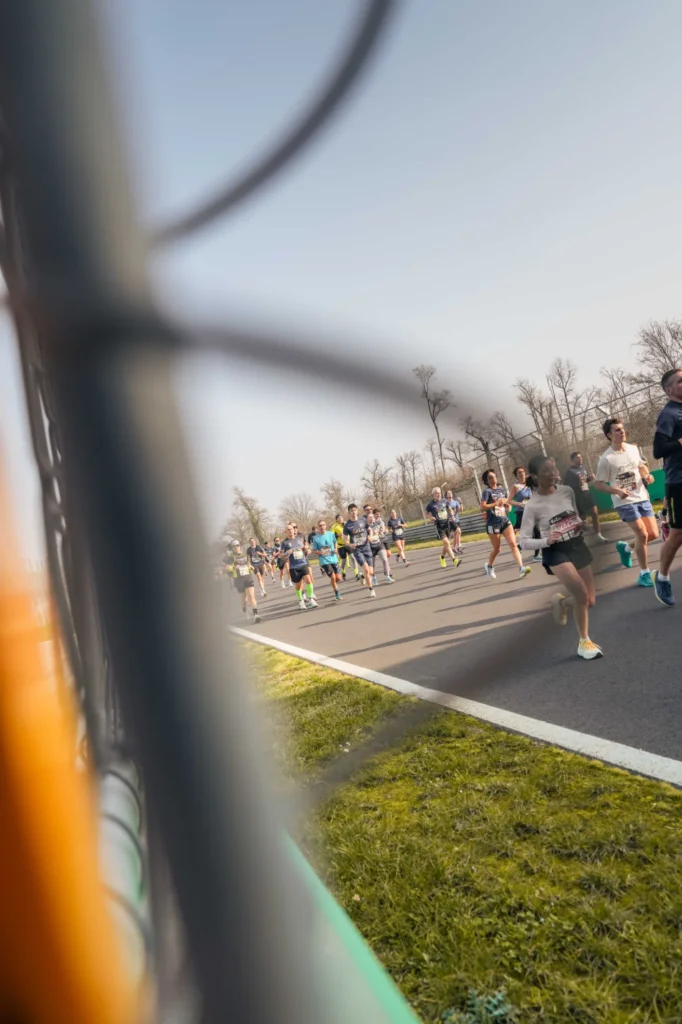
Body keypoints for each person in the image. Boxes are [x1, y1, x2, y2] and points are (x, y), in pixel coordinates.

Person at [518, 455, 602, 659]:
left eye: (554, 468)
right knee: (581, 594)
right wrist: (547, 541)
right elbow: (524, 541)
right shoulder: (532, 505)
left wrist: (582, 524)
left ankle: (562, 604)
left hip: (576, 544)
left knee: (589, 601)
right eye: (547, 470)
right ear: (535, 476)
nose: (554, 473)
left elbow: (575, 516)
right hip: (555, 551)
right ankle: (584, 643)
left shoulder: (567, 491)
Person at [594, 418, 657, 587]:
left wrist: (647, 476)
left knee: (653, 534)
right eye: (617, 430)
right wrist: (617, 491)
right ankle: (644, 574)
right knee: (642, 534)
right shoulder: (606, 459)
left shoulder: (633, 449)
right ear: (609, 435)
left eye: (622, 429)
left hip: (641, 497)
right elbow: (598, 484)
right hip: (624, 502)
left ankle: (626, 548)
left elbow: (641, 466)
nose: (622, 432)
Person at [652, 368, 682, 606]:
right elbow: (658, 450)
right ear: (669, 390)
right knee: (677, 535)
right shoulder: (668, 414)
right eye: (680, 381)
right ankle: (661, 577)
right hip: (678, 481)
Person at [480, 469, 531, 580]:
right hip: (492, 523)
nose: (492, 478)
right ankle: (489, 566)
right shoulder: (487, 492)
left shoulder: (501, 489)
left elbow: (508, 503)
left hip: (504, 520)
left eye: (493, 476)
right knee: (497, 549)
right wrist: (496, 503)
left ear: (496, 477)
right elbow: (482, 507)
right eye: (489, 477)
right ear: (487, 480)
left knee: (513, 544)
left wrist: (508, 506)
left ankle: (521, 568)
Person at [563, 452, 608, 543]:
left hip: (587, 494)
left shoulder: (583, 468)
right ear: (572, 460)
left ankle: (598, 535)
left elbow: (584, 482)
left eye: (580, 457)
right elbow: (567, 486)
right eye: (577, 458)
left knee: (595, 513)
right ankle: (577, 538)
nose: (580, 459)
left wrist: (589, 479)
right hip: (578, 497)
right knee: (583, 520)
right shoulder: (570, 472)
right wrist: (577, 484)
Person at [280, 524, 318, 610]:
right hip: (294, 566)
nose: (290, 531)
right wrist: (288, 552)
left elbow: (304, 548)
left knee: (308, 580)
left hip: (303, 563)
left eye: (291, 529)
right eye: (288, 530)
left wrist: (306, 549)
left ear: (294, 530)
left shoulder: (299, 539)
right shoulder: (284, 543)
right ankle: (301, 601)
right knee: (298, 585)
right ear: (285, 532)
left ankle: (311, 599)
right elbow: (281, 555)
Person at [343, 503, 376, 596]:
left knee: (370, 572)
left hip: (367, 547)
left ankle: (362, 577)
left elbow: (370, 530)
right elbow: (344, 540)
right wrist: (350, 544)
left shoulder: (363, 520)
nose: (353, 512)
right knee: (365, 568)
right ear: (349, 512)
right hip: (357, 549)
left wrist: (370, 536)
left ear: (357, 511)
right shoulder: (347, 525)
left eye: (355, 510)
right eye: (351, 511)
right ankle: (371, 589)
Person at [425, 486, 462, 569]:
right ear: (433, 494)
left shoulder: (445, 501)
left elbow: (450, 509)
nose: (438, 494)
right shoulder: (430, 505)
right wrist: (431, 518)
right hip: (439, 526)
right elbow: (426, 514)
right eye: (437, 493)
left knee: (446, 544)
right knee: (447, 543)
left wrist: (452, 515)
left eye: (439, 493)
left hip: (447, 524)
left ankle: (442, 557)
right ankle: (454, 560)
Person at [228, 540, 261, 624]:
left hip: (247, 577)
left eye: (238, 545)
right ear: (232, 548)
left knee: (251, 596)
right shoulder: (231, 557)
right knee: (244, 599)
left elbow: (248, 564)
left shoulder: (245, 555)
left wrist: (252, 568)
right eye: (235, 546)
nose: (237, 547)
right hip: (239, 580)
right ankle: (244, 610)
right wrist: (234, 568)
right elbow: (227, 568)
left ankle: (256, 615)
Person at [310, 518, 343, 602]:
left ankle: (333, 583)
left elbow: (335, 542)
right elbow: (314, 550)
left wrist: (335, 548)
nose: (322, 527)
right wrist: (320, 552)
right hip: (324, 561)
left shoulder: (331, 534)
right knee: (332, 576)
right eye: (320, 526)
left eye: (323, 525)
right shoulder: (316, 538)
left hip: (333, 559)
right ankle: (337, 593)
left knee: (338, 578)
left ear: (326, 526)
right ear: (318, 527)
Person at [508, 467, 533, 554]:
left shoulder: (530, 484)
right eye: (519, 473)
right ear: (516, 476)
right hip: (521, 512)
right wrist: (520, 504)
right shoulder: (516, 486)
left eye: (523, 472)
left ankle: (519, 546)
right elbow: (509, 501)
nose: (522, 474)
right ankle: (537, 554)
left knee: (533, 533)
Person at [367, 511, 395, 584]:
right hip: (370, 547)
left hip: (379, 545)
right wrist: (370, 537)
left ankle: (387, 577)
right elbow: (367, 538)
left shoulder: (377, 525)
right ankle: (373, 578)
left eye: (372, 517)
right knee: (372, 564)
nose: (371, 518)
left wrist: (385, 531)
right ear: (367, 519)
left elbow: (381, 532)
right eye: (369, 517)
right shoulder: (366, 528)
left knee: (385, 559)